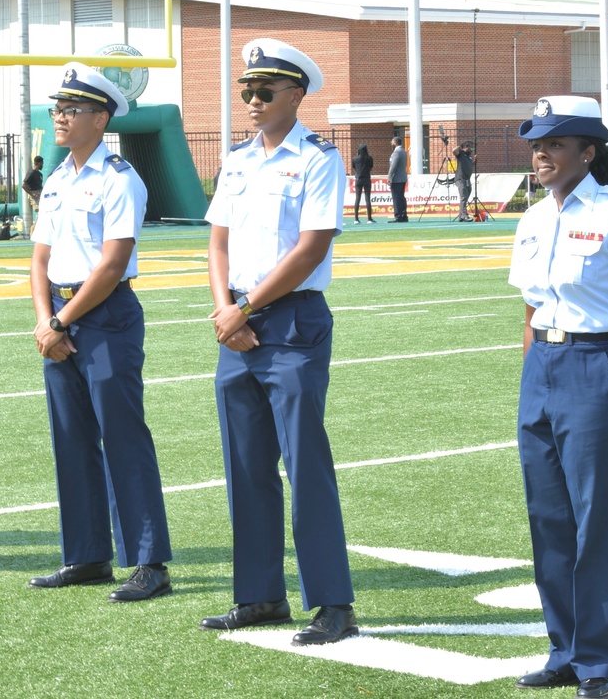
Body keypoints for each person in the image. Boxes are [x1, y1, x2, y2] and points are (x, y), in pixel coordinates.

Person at [508, 96, 608, 699]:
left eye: (553, 143)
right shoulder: (532, 217)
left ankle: (599, 660)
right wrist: (530, 382)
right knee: (548, 520)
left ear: (587, 152)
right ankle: (564, 650)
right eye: (535, 144)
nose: (540, 153)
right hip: (543, 369)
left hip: (599, 367)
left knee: (597, 522)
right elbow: (530, 309)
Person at [201, 38, 357, 645]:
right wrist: (225, 309)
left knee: (304, 463)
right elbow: (217, 241)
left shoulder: (319, 158)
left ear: (297, 95)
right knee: (244, 467)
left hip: (290, 324)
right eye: (247, 90)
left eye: (266, 91)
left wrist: (243, 308)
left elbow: (312, 247)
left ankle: (333, 603)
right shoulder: (237, 160)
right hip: (236, 326)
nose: (253, 99)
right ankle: (260, 596)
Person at [28, 62, 173, 602]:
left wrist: (61, 321)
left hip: (105, 317)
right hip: (60, 318)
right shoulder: (60, 177)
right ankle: (86, 555)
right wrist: (47, 321)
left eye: (70, 110)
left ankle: (149, 562)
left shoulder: (119, 178)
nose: (60, 118)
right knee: (71, 439)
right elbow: (39, 258)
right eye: (57, 109)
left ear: (101, 117)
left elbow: (112, 266)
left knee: (122, 436)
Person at [351, 143, 374, 224]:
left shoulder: (355, 159)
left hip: (358, 179)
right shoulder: (369, 158)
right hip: (367, 179)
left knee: (357, 198)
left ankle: (356, 219)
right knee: (368, 199)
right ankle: (369, 218)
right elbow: (371, 167)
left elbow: (353, 167)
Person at [452, 140, 475, 222]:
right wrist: (459, 147)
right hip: (461, 179)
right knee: (463, 197)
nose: (472, 150)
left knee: (466, 195)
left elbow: (468, 165)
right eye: (470, 148)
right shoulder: (461, 154)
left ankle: (461, 216)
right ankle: (464, 215)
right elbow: (454, 151)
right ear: (465, 147)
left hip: (467, 179)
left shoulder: (469, 156)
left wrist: (474, 161)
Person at [387, 136, 408, 222]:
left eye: (392, 142)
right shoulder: (403, 151)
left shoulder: (397, 152)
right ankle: (403, 215)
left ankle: (398, 215)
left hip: (397, 178)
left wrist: (389, 177)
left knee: (396, 197)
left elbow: (393, 166)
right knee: (401, 197)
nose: (391, 144)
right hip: (402, 177)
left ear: (395, 143)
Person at [20, 155, 44, 219]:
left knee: (43, 212)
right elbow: (24, 185)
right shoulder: (31, 173)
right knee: (40, 213)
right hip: (35, 194)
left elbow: (39, 185)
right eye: (42, 163)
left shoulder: (39, 174)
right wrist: (32, 195)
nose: (42, 165)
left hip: (40, 193)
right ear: (39, 163)